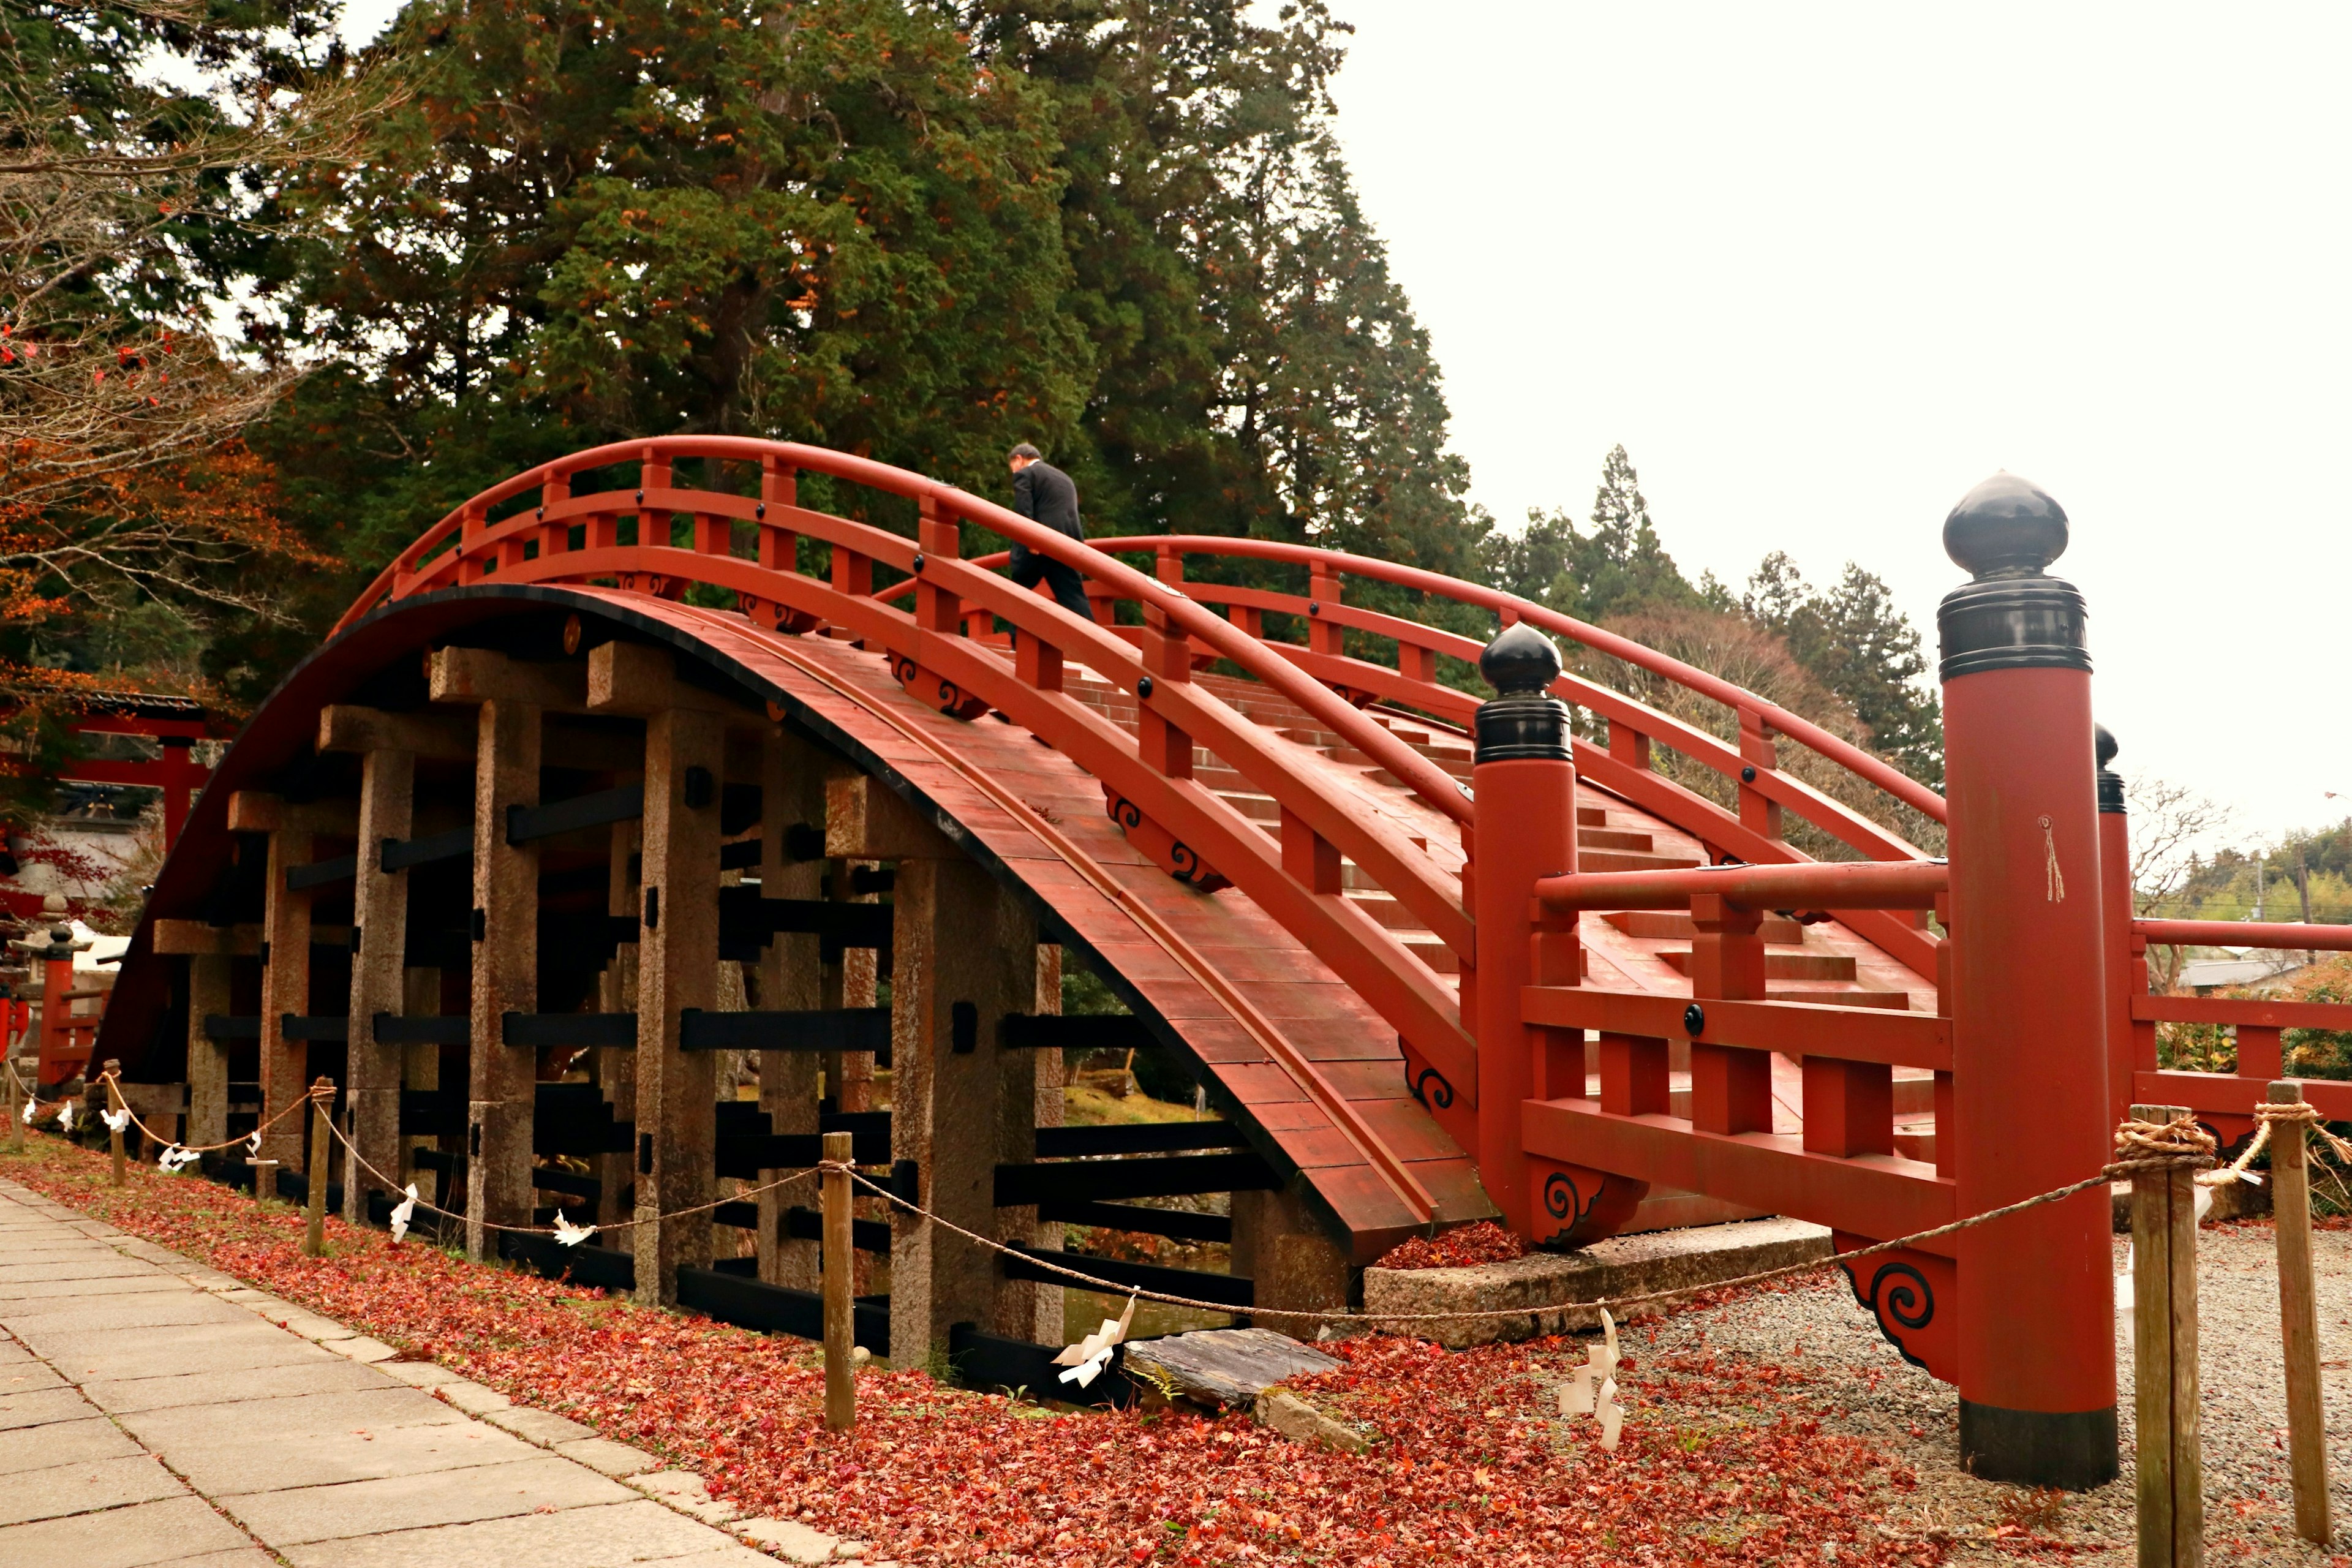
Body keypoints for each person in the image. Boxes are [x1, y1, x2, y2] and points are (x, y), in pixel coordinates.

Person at [1006, 443, 1095, 622]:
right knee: (1073, 597)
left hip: (1039, 546)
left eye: (1013, 467)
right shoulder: (1064, 478)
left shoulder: (1025, 474)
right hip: (1067, 544)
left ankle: (1018, 643)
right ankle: (1094, 644)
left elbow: (1024, 511)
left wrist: (1030, 541)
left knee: (1015, 593)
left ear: (1019, 459)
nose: (1013, 472)